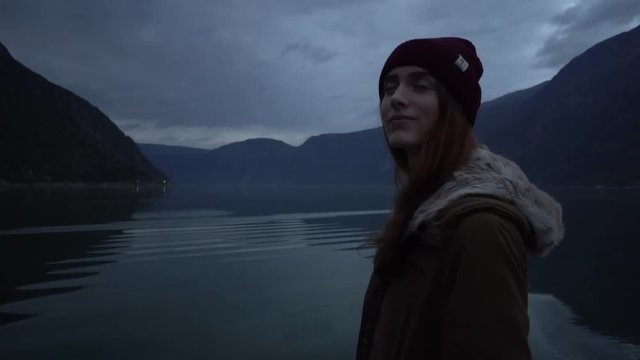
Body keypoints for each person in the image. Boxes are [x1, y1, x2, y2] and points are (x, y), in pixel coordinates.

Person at [355, 37, 564, 360]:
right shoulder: (425, 213)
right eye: (389, 87)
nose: (396, 98)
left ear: (454, 106)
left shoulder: (481, 228)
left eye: (420, 86)